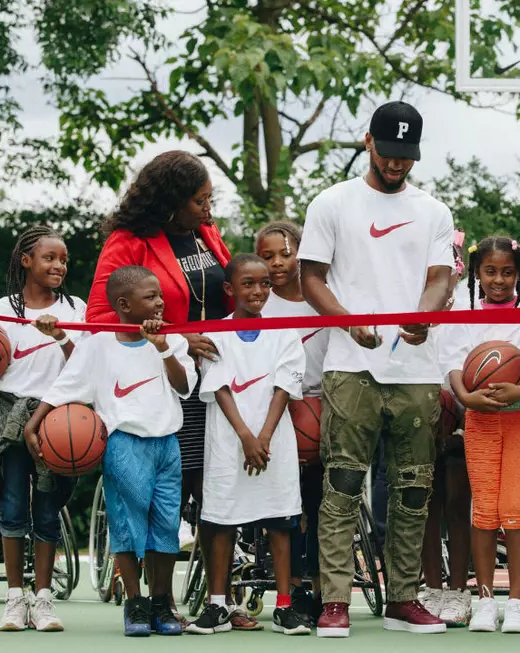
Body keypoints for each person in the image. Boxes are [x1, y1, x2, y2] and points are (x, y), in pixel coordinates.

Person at [299, 100, 454, 637]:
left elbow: (441, 277)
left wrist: (425, 316)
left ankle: (403, 598)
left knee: (413, 487)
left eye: (406, 156)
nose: (396, 164)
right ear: (369, 142)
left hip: (416, 369)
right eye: (388, 153)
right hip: (351, 365)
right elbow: (311, 278)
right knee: (342, 482)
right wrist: (348, 321)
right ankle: (335, 600)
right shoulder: (333, 202)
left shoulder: (434, 210)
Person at [85, 150, 238, 627]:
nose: (208, 210)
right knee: (170, 496)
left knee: (215, 487)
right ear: (171, 203)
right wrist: (174, 335)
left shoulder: (207, 234)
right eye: (198, 201)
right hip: (166, 380)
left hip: (220, 373)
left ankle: (218, 600)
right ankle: (154, 600)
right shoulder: (129, 242)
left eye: (210, 199)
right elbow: (99, 315)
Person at [25, 265, 196, 637]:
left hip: (167, 444)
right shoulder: (98, 345)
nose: (159, 303)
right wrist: (33, 422)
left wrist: (163, 348)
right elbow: (65, 386)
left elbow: (184, 387)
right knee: (127, 524)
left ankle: (161, 602)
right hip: (123, 443)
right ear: (123, 304)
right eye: (150, 297)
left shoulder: (172, 339)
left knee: (166, 525)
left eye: (160, 296)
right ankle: (135, 602)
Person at [0, 225, 86, 632]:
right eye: (50, 258)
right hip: (11, 414)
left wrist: (62, 336)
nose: (59, 265)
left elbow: (85, 367)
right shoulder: (0, 309)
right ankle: (16, 598)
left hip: (59, 418)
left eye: (64, 259)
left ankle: (45, 598)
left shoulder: (75, 309)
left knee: (48, 509)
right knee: (13, 505)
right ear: (26, 260)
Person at [445, 236, 520, 634]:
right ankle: (484, 600)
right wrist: (466, 396)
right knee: (484, 509)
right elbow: (453, 364)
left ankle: (514, 600)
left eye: (507, 272)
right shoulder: (464, 312)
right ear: (477, 274)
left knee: (516, 508)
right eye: (490, 272)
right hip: (479, 421)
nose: (499, 280)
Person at [190, 254, 309, 636]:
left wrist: (263, 436)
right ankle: (218, 606)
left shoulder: (284, 332)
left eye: (264, 284)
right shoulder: (215, 334)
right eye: (248, 283)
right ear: (230, 289)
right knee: (222, 519)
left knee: (279, 518)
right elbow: (219, 386)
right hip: (229, 441)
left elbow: (285, 386)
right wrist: (245, 436)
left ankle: (285, 606)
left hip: (273, 441)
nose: (258, 291)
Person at [256, 221, 329, 625]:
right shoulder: (261, 304)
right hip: (280, 412)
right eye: (268, 256)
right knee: (289, 508)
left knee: (320, 504)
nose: (278, 262)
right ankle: (295, 586)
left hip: (324, 407)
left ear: (302, 253)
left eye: (286, 253)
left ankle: (322, 586)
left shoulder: (321, 298)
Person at [417, 230, 473, 628]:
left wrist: (463, 409)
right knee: (425, 509)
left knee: (457, 505)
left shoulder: (468, 315)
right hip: (419, 419)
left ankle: (459, 591)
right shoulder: (415, 310)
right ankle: (432, 588)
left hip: (462, 421)